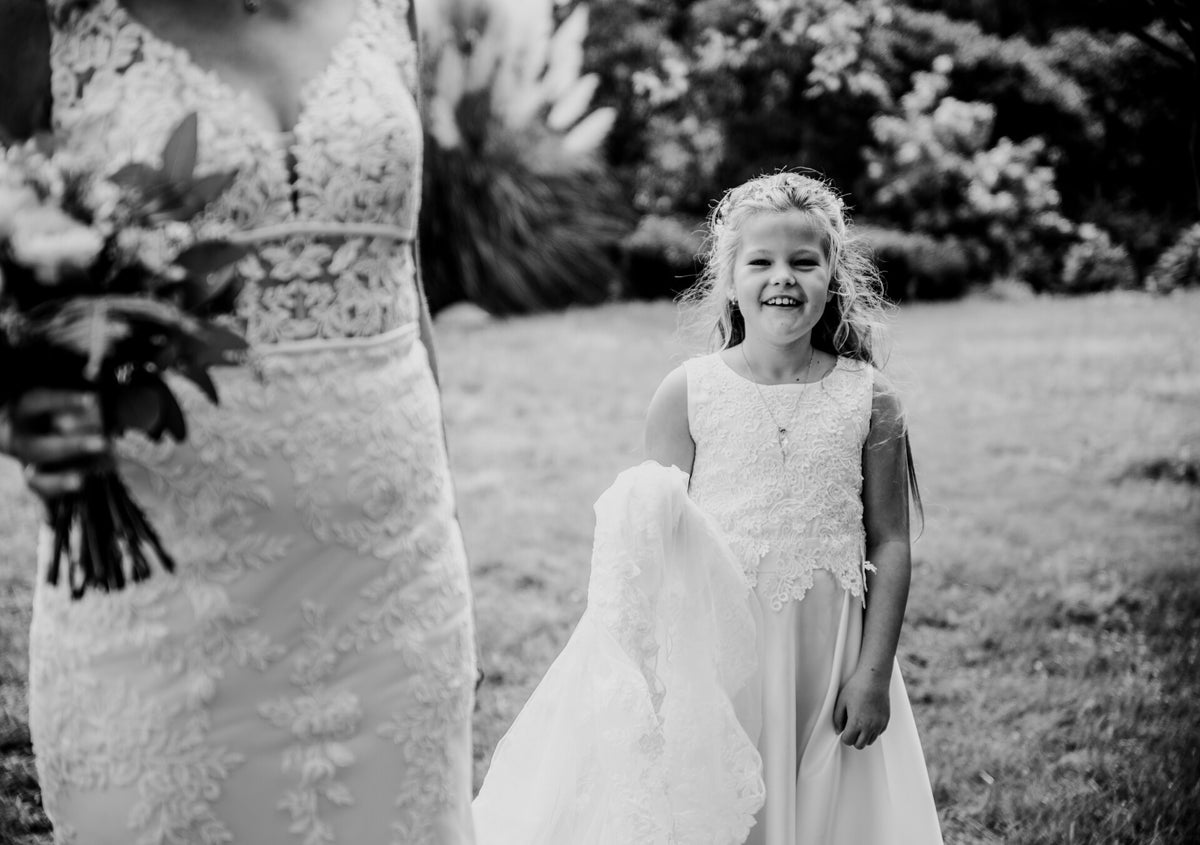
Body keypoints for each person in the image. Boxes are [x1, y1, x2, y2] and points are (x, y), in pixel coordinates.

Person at [0, 0, 478, 842]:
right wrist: (22, 402)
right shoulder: (45, 16)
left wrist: (449, 526)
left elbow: (399, 268)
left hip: (397, 586)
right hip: (164, 587)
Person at [643, 171, 943, 844]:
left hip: (830, 656)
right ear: (729, 278)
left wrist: (872, 675)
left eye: (804, 261)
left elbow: (890, 540)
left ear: (832, 275)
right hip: (723, 658)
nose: (783, 277)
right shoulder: (686, 394)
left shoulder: (870, 397)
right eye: (761, 262)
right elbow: (654, 546)